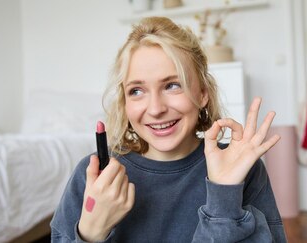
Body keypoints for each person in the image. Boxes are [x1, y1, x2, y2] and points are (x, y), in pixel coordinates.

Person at [50, 16, 286, 242]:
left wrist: (224, 196)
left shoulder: (241, 168)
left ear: (203, 93)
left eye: (172, 85)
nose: (155, 109)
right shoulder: (93, 176)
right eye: (137, 91)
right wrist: (91, 232)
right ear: (124, 101)